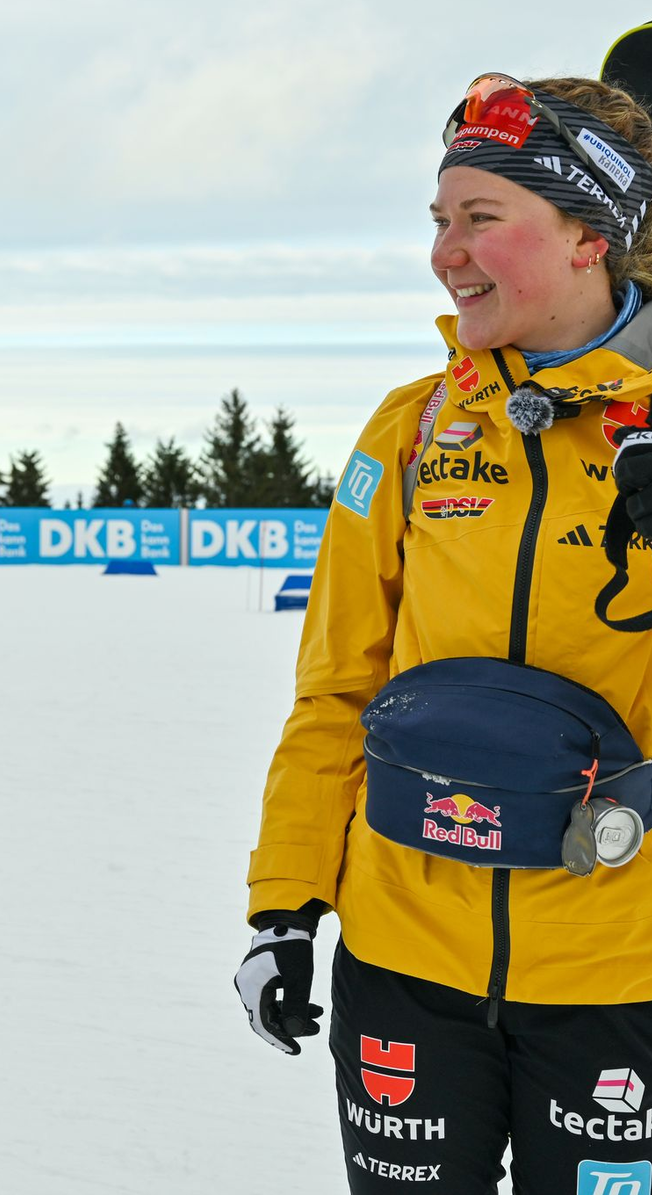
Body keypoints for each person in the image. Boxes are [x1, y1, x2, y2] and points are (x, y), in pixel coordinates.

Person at [235, 74, 652, 1193]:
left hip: (622, 975)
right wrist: (284, 903)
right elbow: (336, 690)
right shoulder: (411, 426)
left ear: (587, 237)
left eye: (481, 219)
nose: (445, 253)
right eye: (438, 220)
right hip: (405, 963)